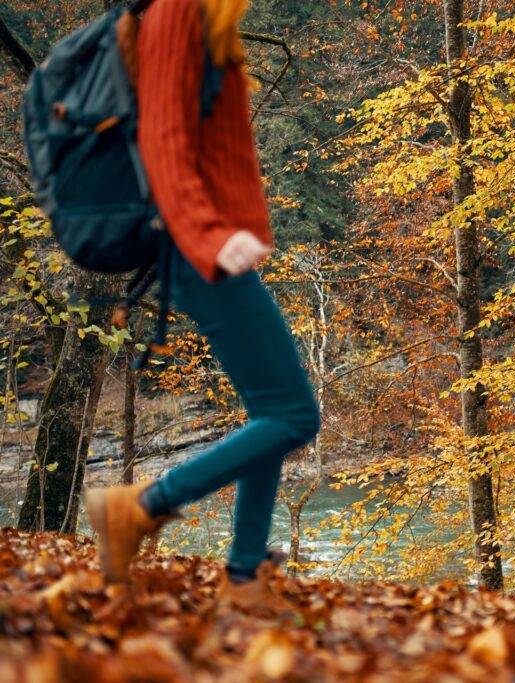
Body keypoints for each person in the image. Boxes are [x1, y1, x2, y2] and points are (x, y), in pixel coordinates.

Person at [84, 0, 320, 593]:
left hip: (207, 245)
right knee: (294, 415)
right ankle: (139, 507)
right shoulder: (178, 14)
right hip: (197, 248)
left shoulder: (206, 18)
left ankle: (244, 576)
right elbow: (162, 141)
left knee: (273, 412)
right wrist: (211, 235)